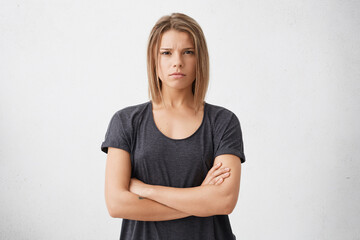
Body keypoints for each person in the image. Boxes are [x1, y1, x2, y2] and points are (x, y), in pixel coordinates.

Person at [101, 12, 246, 240]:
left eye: (188, 52)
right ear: (154, 60)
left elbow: (224, 201)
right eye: (166, 53)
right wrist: (201, 200)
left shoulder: (223, 122)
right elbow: (117, 204)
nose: (177, 61)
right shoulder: (126, 121)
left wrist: (148, 191)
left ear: (200, 59)